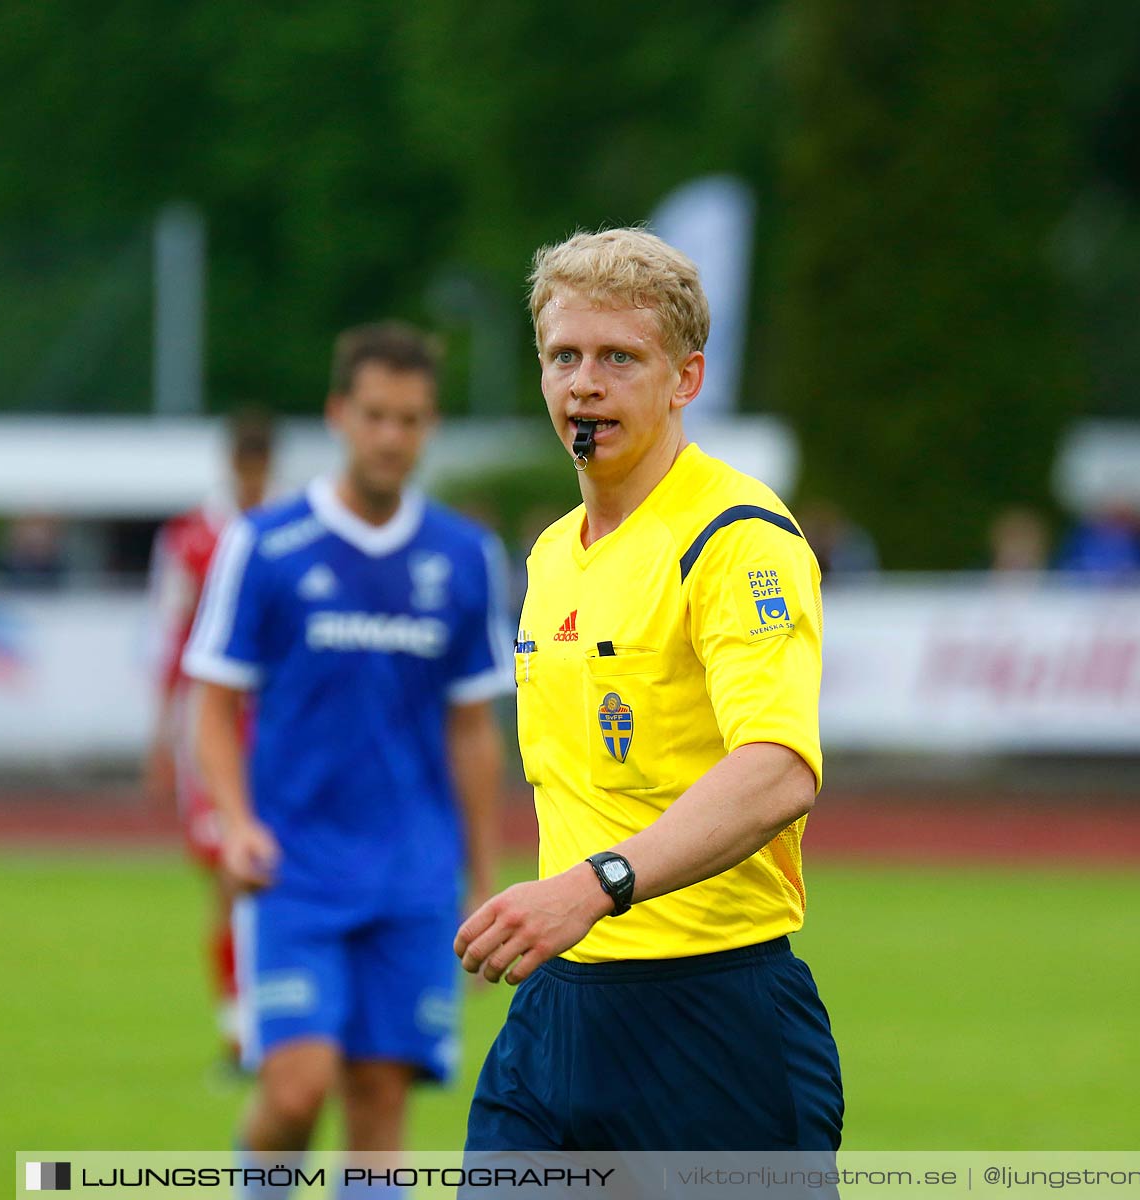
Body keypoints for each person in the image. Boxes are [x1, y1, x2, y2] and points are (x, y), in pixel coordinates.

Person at [455, 228, 844, 1155]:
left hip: (714, 1021)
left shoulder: (739, 540)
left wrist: (595, 886)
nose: (585, 383)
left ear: (686, 378)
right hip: (556, 1015)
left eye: (619, 358)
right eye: (564, 356)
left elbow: (779, 769)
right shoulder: (551, 554)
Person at [181, 323, 509, 1187]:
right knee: (295, 1088)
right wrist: (236, 822)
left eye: (410, 419)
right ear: (338, 415)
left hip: (413, 873)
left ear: (429, 425)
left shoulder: (466, 557)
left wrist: (482, 879)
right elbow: (213, 704)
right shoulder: (266, 545)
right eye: (375, 416)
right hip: (297, 867)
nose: (391, 437)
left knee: (378, 1098)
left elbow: (473, 730)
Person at [145, 409, 277, 1066]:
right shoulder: (190, 539)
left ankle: (264, 1023)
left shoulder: (289, 532)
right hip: (213, 728)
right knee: (230, 877)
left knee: (273, 874)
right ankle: (239, 1026)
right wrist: (158, 736)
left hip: (280, 732)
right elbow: (168, 637)